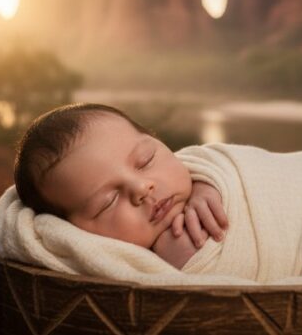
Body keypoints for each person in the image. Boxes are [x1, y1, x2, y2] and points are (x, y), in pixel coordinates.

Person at [13, 103, 228, 269]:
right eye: (108, 202)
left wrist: (209, 185)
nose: (142, 188)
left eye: (146, 161)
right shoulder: (106, 271)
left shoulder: (216, 173)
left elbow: (244, 166)